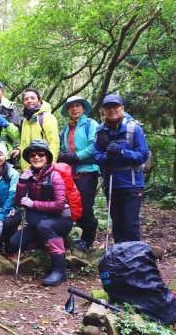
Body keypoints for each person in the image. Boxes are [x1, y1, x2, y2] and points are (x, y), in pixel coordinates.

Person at [10, 139, 72, 287]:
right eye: (33, 155)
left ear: (47, 157)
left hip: (59, 222)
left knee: (45, 227)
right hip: (37, 222)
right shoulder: (28, 176)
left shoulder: (55, 176)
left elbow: (59, 204)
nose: (36, 157)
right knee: (14, 242)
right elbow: (19, 202)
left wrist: (33, 204)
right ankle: (43, 243)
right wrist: (22, 183)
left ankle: (60, 270)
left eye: (41, 154)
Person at [93, 94, 150, 243]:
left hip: (132, 183)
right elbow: (97, 157)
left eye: (115, 106)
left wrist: (122, 152)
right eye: (108, 107)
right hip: (111, 183)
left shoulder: (134, 129)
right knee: (117, 223)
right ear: (103, 111)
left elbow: (143, 155)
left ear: (122, 108)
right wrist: (108, 156)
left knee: (130, 223)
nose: (112, 110)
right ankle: (120, 256)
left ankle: (135, 258)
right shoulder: (100, 131)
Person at [58, 95, 100, 251]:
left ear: (83, 108)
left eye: (77, 106)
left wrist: (76, 156)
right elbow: (64, 149)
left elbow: (94, 146)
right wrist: (63, 155)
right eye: (71, 106)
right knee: (72, 204)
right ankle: (80, 237)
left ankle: (88, 240)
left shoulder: (91, 124)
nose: (74, 108)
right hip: (71, 172)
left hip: (88, 170)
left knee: (85, 205)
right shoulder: (68, 128)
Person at [11, 88, 59, 171]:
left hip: (43, 167)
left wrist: (49, 166)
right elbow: (27, 141)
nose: (29, 101)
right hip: (27, 169)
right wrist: (19, 149)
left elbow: (54, 144)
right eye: (26, 99)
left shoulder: (47, 117)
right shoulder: (25, 120)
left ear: (39, 100)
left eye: (32, 98)